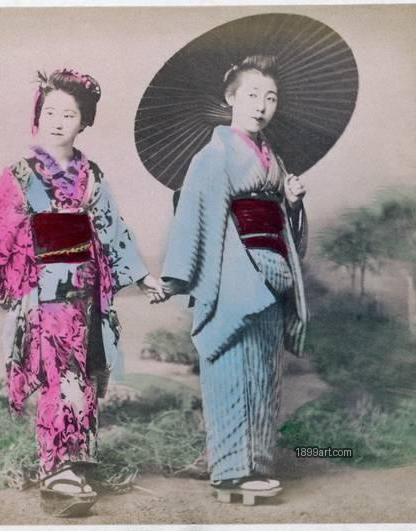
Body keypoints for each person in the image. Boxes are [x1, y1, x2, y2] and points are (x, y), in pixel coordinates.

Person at [0, 68, 162, 516]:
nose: (58, 121)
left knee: (82, 377)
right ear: (37, 116)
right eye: (50, 112)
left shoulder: (92, 176)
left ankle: (76, 463)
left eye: (69, 114)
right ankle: (56, 468)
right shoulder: (21, 175)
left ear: (84, 122)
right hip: (43, 294)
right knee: (57, 376)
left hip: (86, 294)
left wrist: (143, 278)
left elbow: (113, 229)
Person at [157, 55, 308, 504]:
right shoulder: (213, 155)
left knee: (264, 374)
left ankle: (256, 468)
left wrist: (291, 202)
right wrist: (176, 278)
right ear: (230, 98)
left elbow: (283, 227)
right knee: (232, 370)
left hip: (274, 273)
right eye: (252, 94)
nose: (261, 105)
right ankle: (229, 473)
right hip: (234, 274)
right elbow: (193, 216)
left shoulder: (274, 160)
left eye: (270, 98)